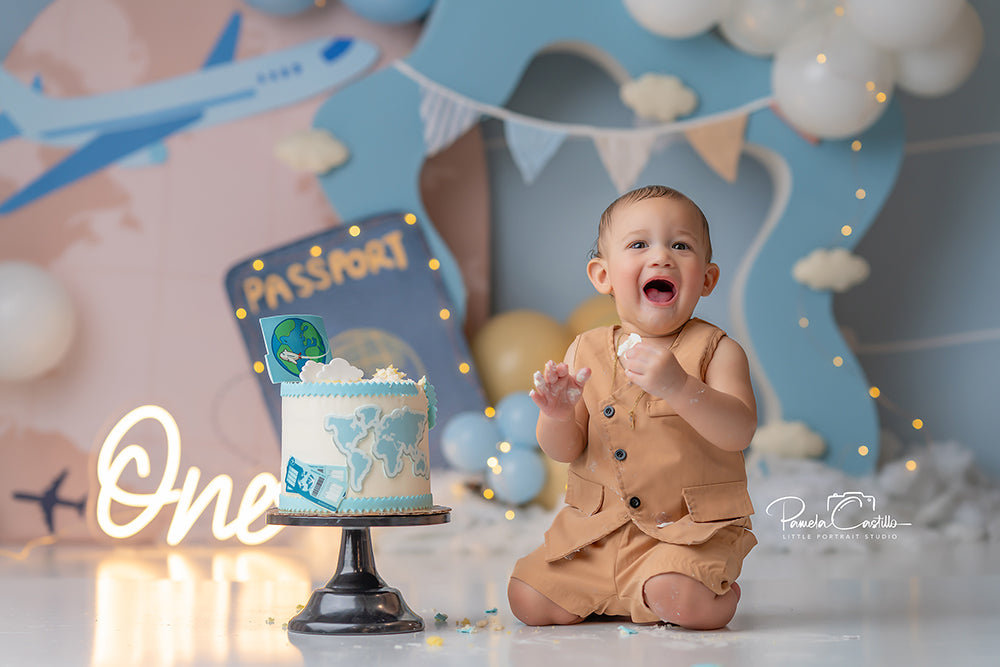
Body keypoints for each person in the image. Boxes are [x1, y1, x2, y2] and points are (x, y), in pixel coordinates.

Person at [508, 185, 758, 630]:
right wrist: (558, 413)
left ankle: (700, 592)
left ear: (706, 279)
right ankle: (624, 594)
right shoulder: (586, 350)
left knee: (679, 596)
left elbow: (738, 431)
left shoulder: (717, 350)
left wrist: (679, 387)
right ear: (602, 276)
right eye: (639, 244)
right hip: (599, 532)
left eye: (680, 245)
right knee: (527, 598)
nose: (661, 257)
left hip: (685, 534)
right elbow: (564, 451)